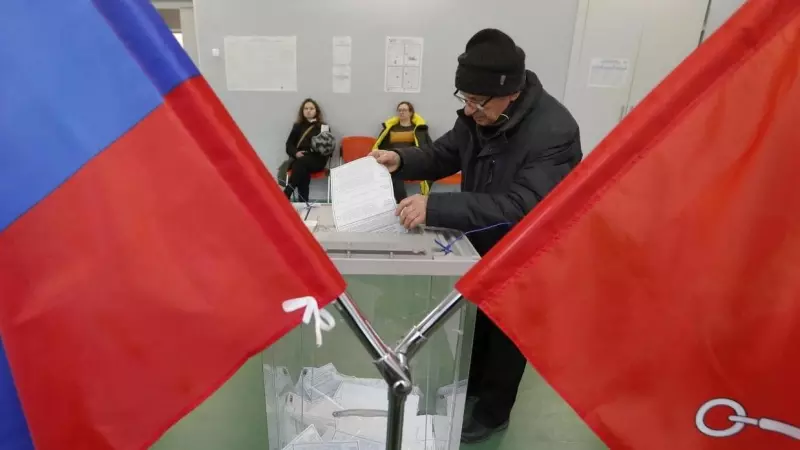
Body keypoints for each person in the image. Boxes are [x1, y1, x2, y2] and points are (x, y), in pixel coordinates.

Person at [371, 29, 582, 444]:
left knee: (508, 329)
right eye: (463, 99)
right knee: (477, 321)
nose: (468, 111)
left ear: (511, 93)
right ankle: (469, 389)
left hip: (528, 249)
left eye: (476, 102)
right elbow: (447, 152)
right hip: (482, 237)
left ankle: (492, 413)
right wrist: (402, 160)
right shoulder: (478, 113)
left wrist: (437, 208)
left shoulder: (554, 131)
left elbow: (524, 205)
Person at [373, 101, 434, 202]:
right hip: (393, 158)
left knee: (397, 172)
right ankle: (396, 202)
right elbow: (382, 146)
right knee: (393, 170)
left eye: (404, 110)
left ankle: (400, 202)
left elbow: (426, 147)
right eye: (399, 110)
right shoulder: (391, 128)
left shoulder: (417, 129)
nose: (401, 112)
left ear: (410, 113)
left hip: (411, 159)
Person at [279, 99, 334, 201]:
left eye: (311, 108)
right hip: (301, 158)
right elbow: (289, 145)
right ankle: (304, 202)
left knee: (299, 164)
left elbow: (329, 148)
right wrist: (296, 153)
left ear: (316, 111)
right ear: (302, 111)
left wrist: (319, 148)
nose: (308, 111)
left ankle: (287, 192)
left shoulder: (323, 127)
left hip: (317, 159)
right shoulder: (297, 127)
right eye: (306, 108)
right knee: (302, 169)